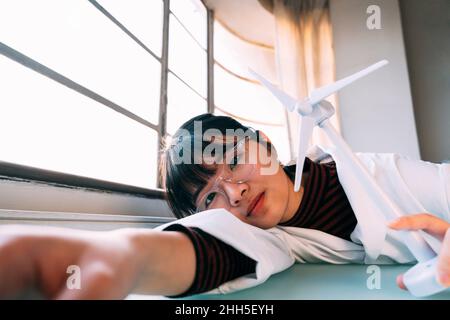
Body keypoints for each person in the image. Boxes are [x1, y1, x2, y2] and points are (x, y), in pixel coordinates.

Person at [0, 113, 448, 299]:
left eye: (234, 160)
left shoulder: (381, 174)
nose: (234, 193)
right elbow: (207, 247)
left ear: (266, 145)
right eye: (211, 196)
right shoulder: (268, 239)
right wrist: (118, 258)